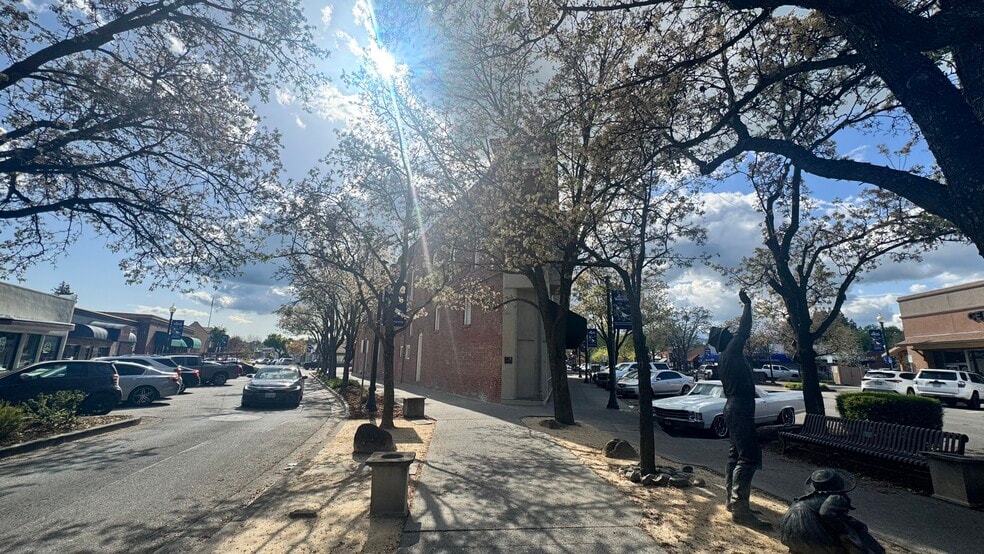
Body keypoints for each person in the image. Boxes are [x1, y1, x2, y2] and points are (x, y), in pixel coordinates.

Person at [711, 289, 772, 530]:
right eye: (729, 335)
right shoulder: (732, 351)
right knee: (748, 456)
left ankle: (733, 502)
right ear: (726, 340)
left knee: (735, 455)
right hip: (739, 406)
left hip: (735, 406)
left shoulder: (726, 357)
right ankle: (739, 508)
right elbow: (744, 330)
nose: (732, 335)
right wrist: (747, 305)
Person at [780, 469, 885, 554]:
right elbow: (825, 513)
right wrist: (845, 529)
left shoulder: (804, 499)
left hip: (789, 533)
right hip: (810, 535)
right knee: (851, 535)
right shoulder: (836, 498)